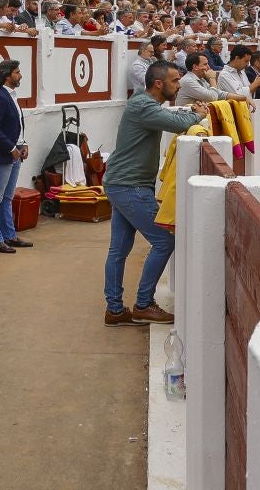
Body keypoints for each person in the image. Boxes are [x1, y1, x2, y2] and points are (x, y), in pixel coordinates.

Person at [102, 60, 206, 326]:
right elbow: (176, 123)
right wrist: (198, 115)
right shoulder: (143, 106)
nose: (179, 84)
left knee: (119, 249)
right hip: (130, 186)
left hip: (122, 183)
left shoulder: (143, 103)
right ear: (158, 84)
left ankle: (115, 310)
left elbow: (171, 118)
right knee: (164, 241)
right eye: (174, 81)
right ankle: (143, 304)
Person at [0, 59, 30, 254]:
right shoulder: (1, 98)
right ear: (7, 75)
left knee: (7, 197)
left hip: (15, 152)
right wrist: (12, 147)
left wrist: (23, 143)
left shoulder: (11, 96)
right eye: (17, 72)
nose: (20, 75)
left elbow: (17, 124)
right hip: (4, 155)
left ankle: (9, 236)